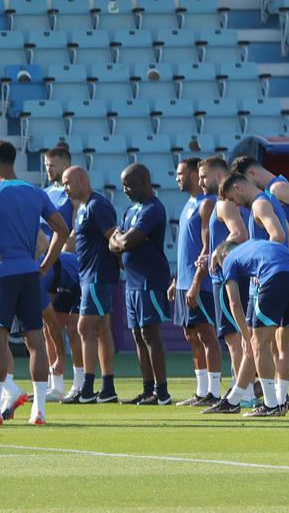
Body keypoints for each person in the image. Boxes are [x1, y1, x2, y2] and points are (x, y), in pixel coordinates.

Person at [0, 141, 68, 426]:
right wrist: (45, 265)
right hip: (28, 273)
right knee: (36, 341)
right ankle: (39, 411)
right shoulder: (35, 193)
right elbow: (62, 229)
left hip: (0, 275)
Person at [229, 155, 289, 407]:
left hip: (276, 269)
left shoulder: (274, 189)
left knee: (270, 339)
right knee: (282, 338)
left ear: (250, 177)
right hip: (286, 267)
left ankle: (273, 397)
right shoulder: (272, 191)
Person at [213, 239, 289, 417]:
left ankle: (270, 404)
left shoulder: (228, 259)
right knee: (286, 343)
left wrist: (245, 335)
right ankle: (278, 401)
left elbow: (234, 301)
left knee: (258, 343)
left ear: (224, 254)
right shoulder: (254, 245)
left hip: (276, 276)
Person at [195, 157, 255, 415]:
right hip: (228, 275)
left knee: (235, 339)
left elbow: (239, 234)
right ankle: (246, 392)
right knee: (238, 337)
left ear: (220, 177)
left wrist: (218, 251)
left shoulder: (224, 204)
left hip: (228, 277)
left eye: (204, 176)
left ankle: (244, 395)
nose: (200, 181)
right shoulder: (226, 204)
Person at [109, 164, 171, 406]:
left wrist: (119, 241)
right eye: (123, 184)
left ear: (145, 182)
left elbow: (125, 240)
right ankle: (148, 389)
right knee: (137, 334)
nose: (125, 189)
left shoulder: (153, 209)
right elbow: (115, 243)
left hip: (149, 280)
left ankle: (162, 391)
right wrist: (119, 241)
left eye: (130, 184)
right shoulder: (131, 209)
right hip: (132, 281)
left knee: (150, 333)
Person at [60, 166, 119, 405]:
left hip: (97, 275)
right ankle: (107, 388)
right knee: (102, 329)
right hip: (89, 275)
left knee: (84, 327)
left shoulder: (97, 205)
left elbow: (114, 237)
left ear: (82, 180)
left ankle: (87, 387)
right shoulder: (83, 207)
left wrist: (117, 264)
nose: (65, 187)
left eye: (67, 182)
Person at [171, 157, 221, 408]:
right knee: (191, 335)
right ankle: (202, 391)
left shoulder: (207, 204)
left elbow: (206, 248)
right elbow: (187, 249)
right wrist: (177, 280)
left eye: (181, 173)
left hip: (199, 283)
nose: (177, 178)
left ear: (193, 174)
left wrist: (196, 283)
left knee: (206, 334)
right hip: (184, 282)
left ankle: (214, 391)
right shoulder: (189, 204)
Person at [41, 145, 78, 400]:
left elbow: (76, 228)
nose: (48, 170)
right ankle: (56, 384)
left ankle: (79, 382)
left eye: (52, 165)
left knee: (73, 328)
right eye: (46, 166)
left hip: (67, 264)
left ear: (66, 165)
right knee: (47, 324)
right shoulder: (44, 194)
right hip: (46, 265)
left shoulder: (72, 195)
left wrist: (61, 253)